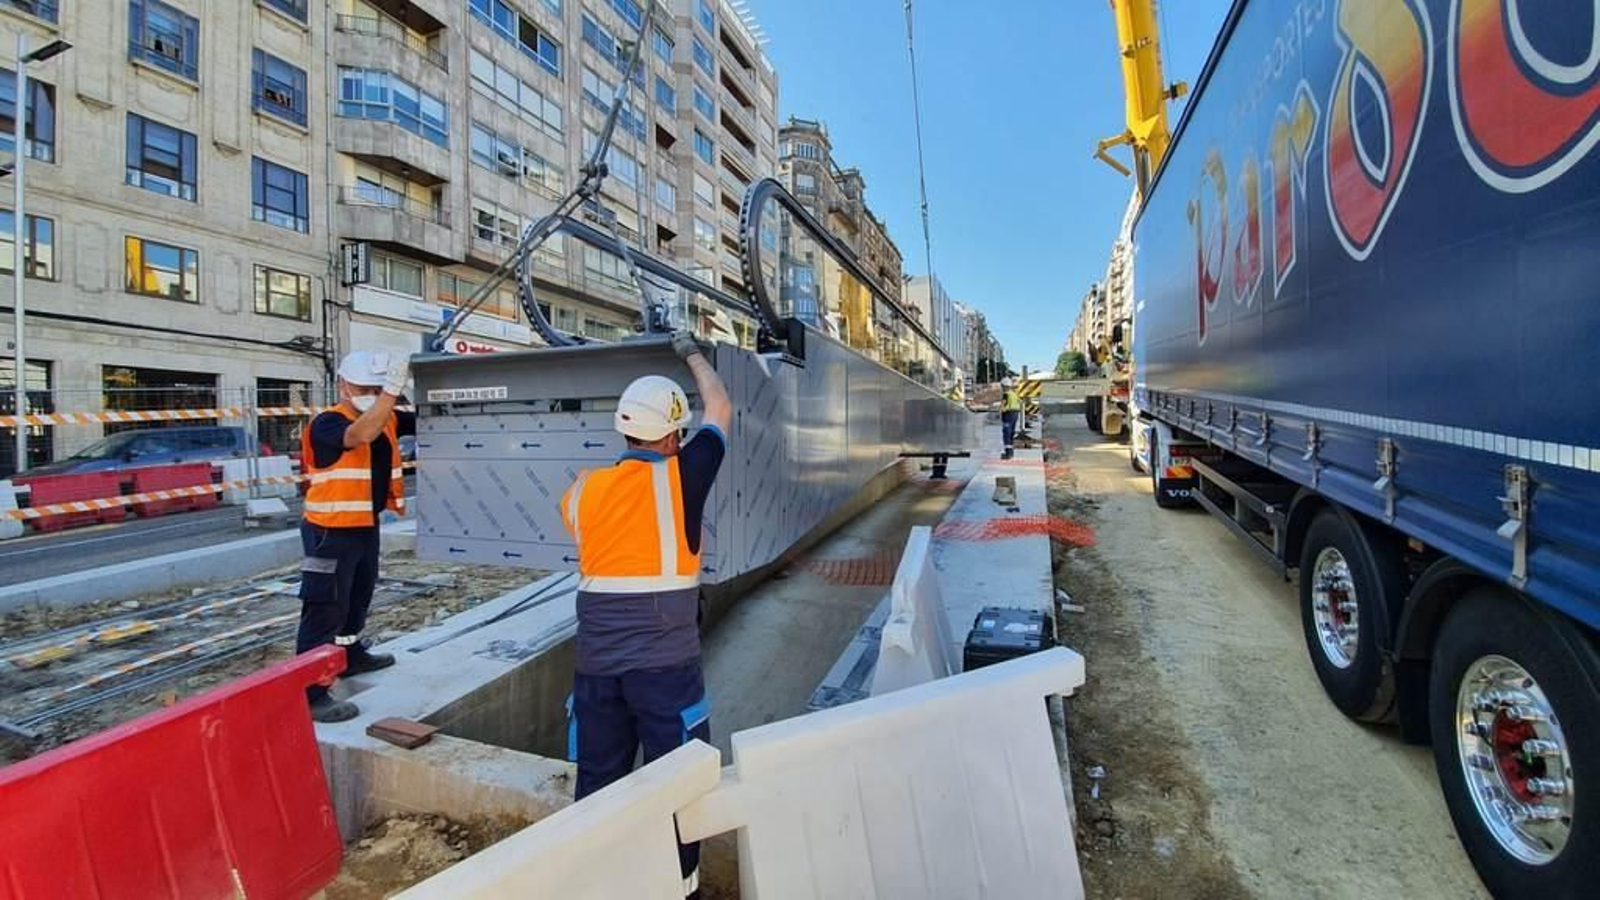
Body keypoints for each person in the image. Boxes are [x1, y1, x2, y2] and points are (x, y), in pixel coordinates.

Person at [559, 331, 731, 899]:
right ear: (675, 435)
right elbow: (722, 408)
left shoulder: (581, 492)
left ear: (626, 428)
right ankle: (681, 889)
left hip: (596, 668)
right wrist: (693, 353)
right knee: (679, 785)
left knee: (599, 781)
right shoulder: (682, 478)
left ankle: (596, 882)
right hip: (666, 670)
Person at [297, 350, 414, 723]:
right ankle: (312, 691)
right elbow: (362, 433)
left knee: (358, 597)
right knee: (324, 606)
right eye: (365, 387)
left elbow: (428, 416)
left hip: (365, 524)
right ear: (344, 385)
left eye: (377, 388)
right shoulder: (328, 422)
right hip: (328, 531)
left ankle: (350, 656)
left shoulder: (389, 416)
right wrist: (391, 392)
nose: (373, 393)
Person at [1000, 376, 1022, 459]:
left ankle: (1008, 453)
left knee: (1006, 433)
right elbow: (1019, 402)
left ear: (1004, 386)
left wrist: (1000, 412)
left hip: (1008, 414)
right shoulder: (1013, 393)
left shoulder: (1006, 394)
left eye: (1002, 386)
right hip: (1015, 414)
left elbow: (1003, 405)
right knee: (1011, 433)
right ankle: (1011, 452)